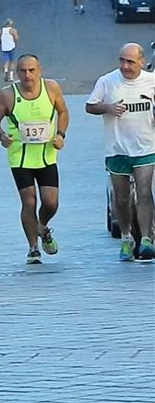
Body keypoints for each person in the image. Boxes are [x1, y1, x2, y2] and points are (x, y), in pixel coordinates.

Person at [0, 54, 69, 264]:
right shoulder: (7, 95)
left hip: (46, 155)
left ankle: (41, 225)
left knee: (51, 203)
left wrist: (60, 134)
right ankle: (33, 248)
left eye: (31, 70)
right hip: (20, 158)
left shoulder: (51, 88)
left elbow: (63, 112)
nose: (27, 75)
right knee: (29, 201)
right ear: (17, 73)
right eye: (23, 71)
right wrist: (1, 135)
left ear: (39, 70)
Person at [86, 43, 155, 261]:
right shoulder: (107, 81)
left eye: (130, 62)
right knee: (122, 197)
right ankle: (127, 238)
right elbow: (90, 106)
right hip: (117, 149)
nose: (125, 66)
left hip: (145, 147)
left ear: (141, 62)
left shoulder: (151, 81)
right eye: (122, 60)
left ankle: (146, 239)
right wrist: (107, 108)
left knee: (144, 192)